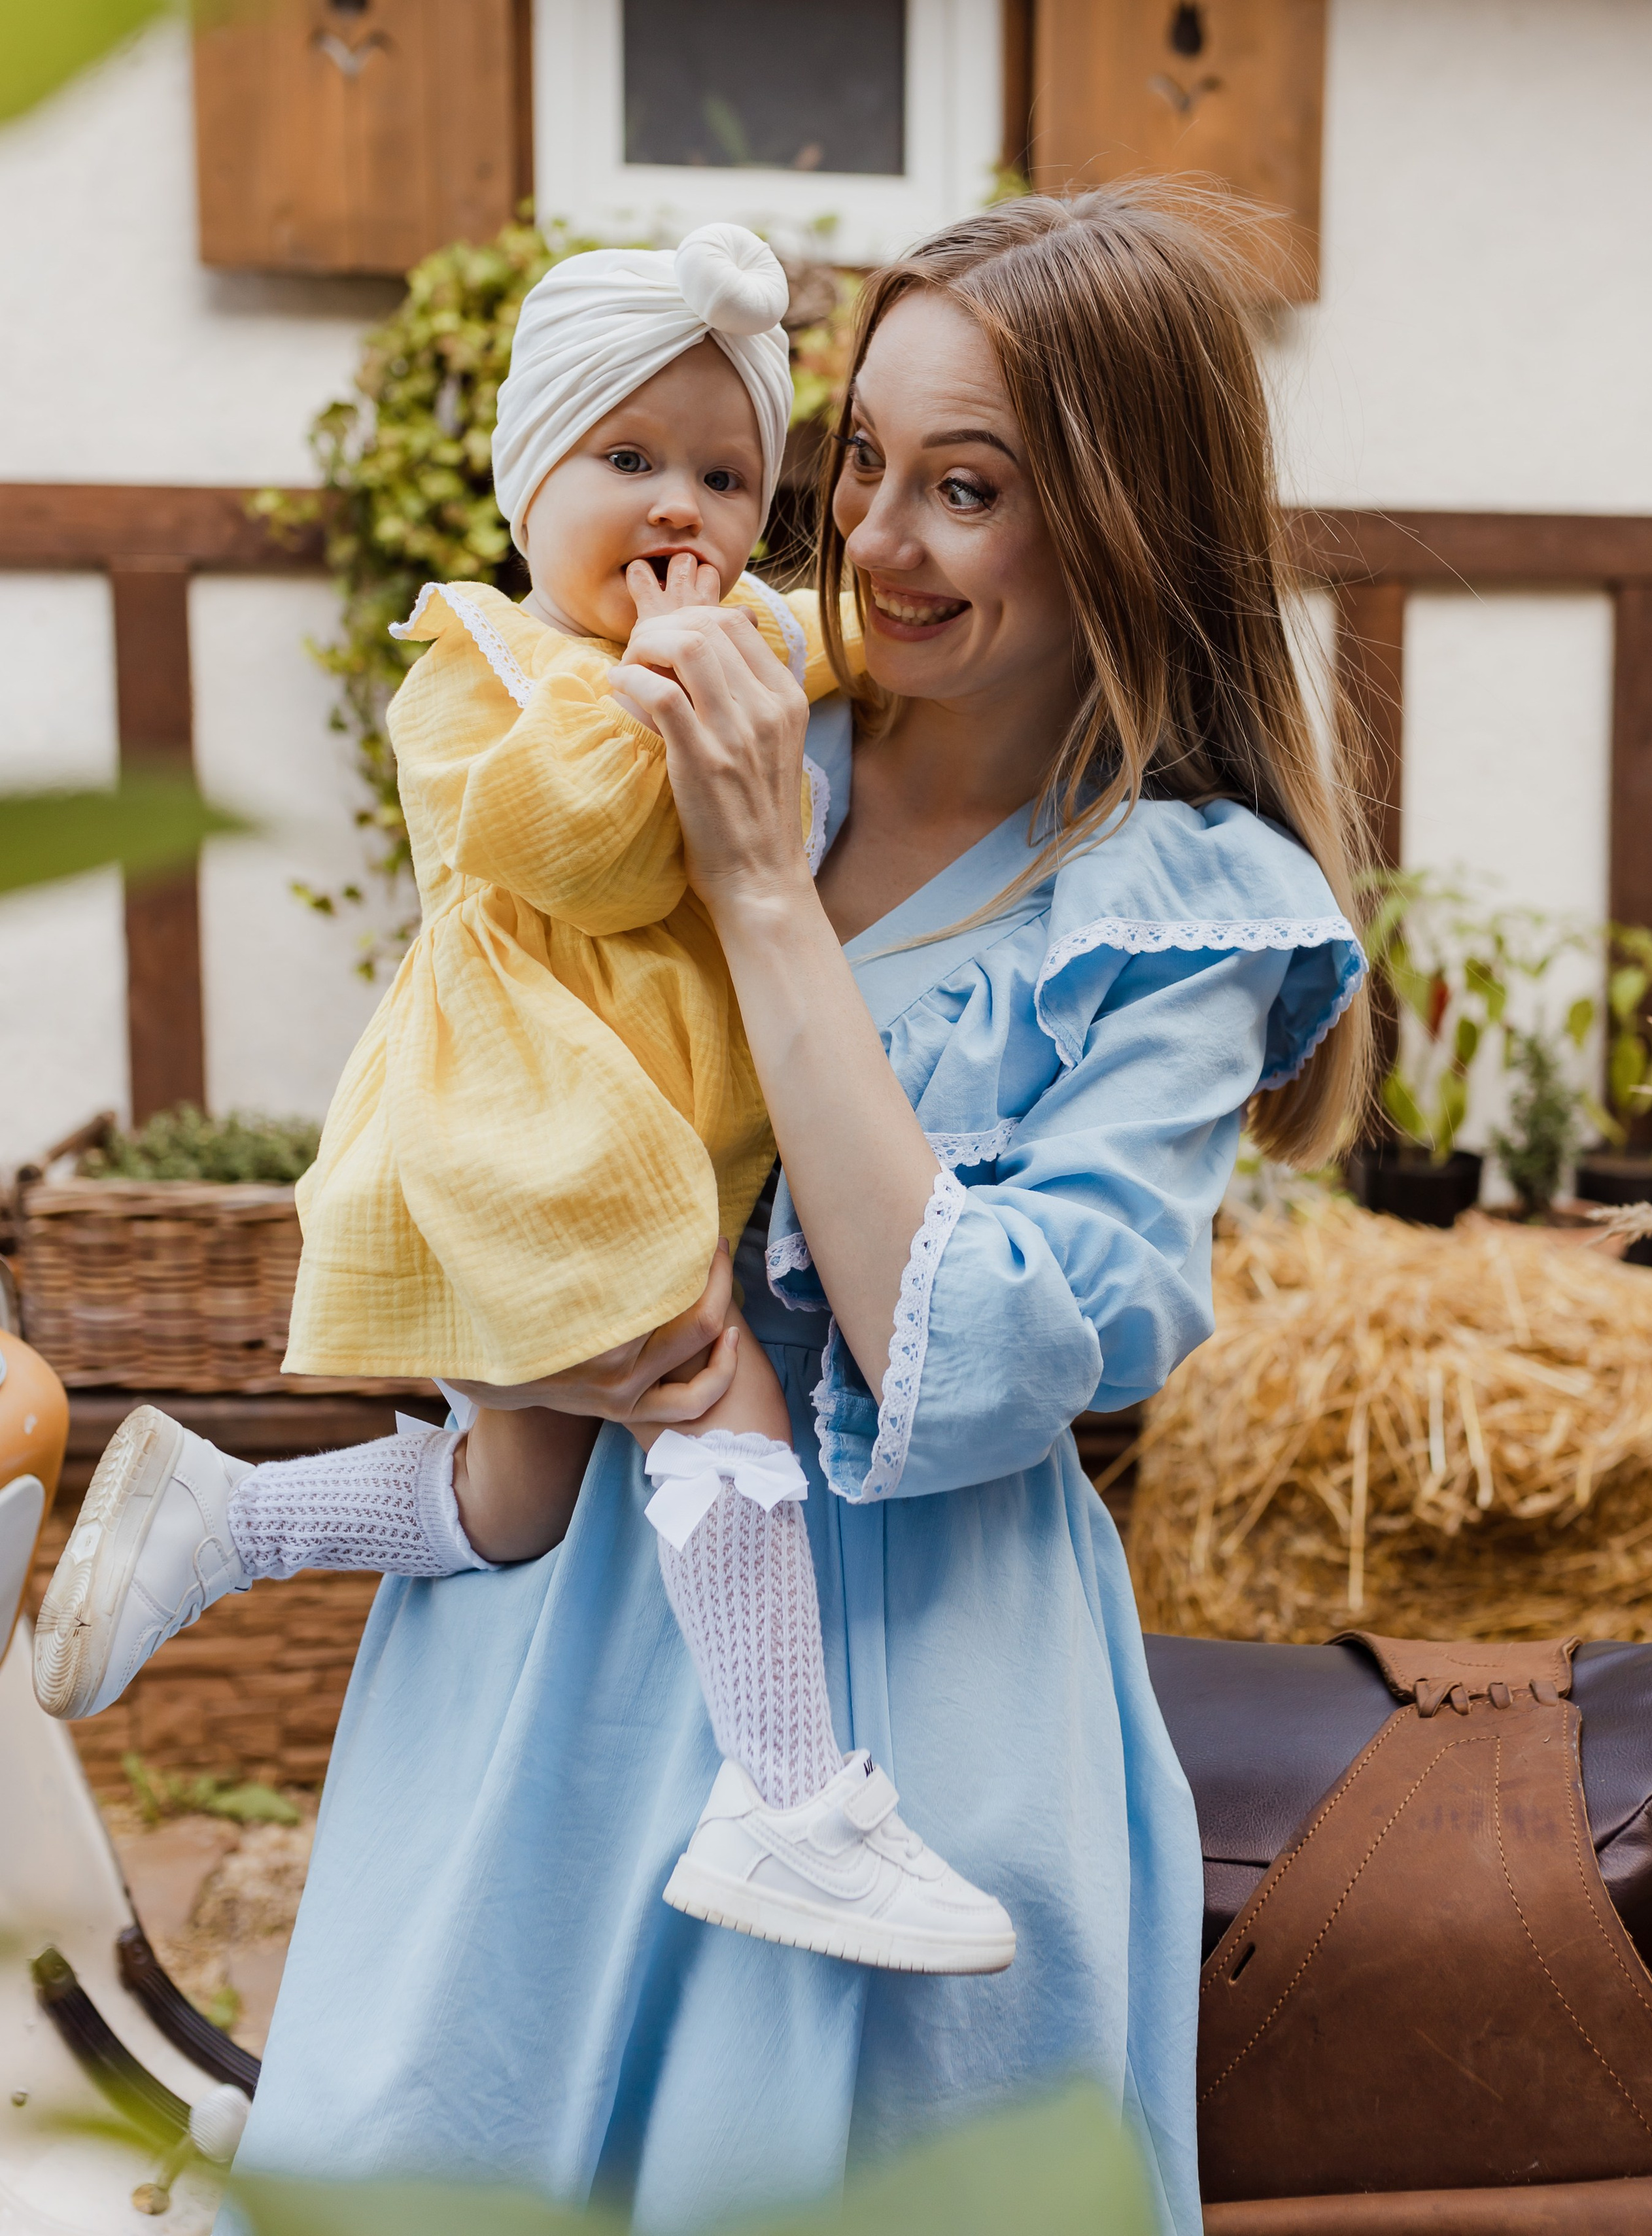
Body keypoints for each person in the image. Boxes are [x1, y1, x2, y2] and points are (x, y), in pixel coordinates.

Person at [33, 221, 1012, 1976]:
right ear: (526, 482)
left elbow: (884, 650)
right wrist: (659, 701)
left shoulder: (744, 643)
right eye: (626, 460)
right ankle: (788, 1799)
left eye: (724, 474)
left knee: (518, 1504)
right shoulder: (479, 665)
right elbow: (569, 851)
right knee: (712, 1398)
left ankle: (230, 1515)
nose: (679, 511)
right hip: (534, 1125)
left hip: (640, 1138)